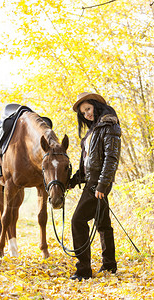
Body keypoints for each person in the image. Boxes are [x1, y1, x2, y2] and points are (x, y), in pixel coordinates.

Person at [69, 92, 121, 281]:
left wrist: (102, 185)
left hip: (97, 184)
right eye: (83, 113)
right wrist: (72, 181)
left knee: (77, 221)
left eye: (88, 109)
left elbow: (111, 159)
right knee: (102, 223)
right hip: (94, 181)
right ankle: (109, 265)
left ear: (96, 106)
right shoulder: (93, 131)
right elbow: (86, 164)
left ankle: (83, 270)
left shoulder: (109, 125)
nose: (86, 115)